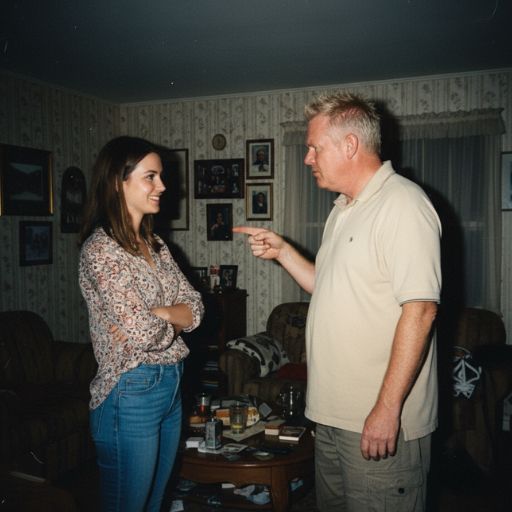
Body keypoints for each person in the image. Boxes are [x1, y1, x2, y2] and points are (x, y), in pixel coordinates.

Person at [234, 92, 441, 511]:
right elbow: (324, 285)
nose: (307, 158)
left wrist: (387, 409)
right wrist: (283, 252)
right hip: (331, 416)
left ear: (350, 145)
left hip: (376, 418)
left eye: (315, 147)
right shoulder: (343, 209)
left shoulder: (403, 204)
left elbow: (420, 310)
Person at [78, 136, 204, 512]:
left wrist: (162, 314)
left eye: (160, 176)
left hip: (170, 385)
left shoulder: (155, 244)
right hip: (130, 392)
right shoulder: (101, 250)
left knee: (155, 503)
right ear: (118, 182)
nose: (162, 186)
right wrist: (169, 318)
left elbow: (197, 307)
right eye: (151, 176)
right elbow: (145, 335)